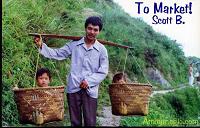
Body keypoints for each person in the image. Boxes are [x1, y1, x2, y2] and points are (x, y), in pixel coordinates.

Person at [34, 16, 109, 126]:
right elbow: (58, 53)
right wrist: (41, 46)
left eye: (95, 30)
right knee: (75, 122)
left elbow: (103, 71)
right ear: (85, 28)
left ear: (99, 31)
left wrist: (89, 81)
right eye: (89, 28)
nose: (92, 32)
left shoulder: (102, 50)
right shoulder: (74, 44)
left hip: (90, 91)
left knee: (90, 122)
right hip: (73, 88)